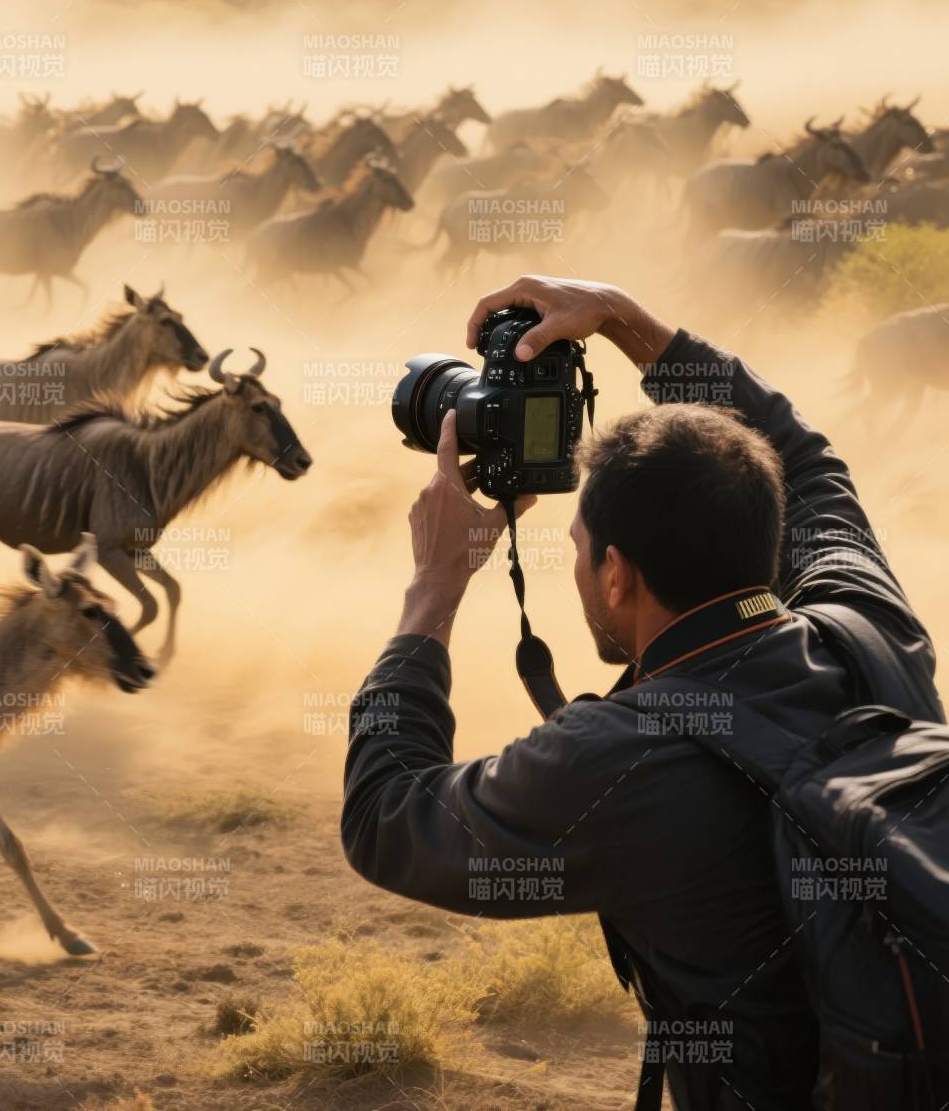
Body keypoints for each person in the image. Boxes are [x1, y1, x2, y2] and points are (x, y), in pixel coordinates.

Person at [340, 275, 942, 1109]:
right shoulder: (870, 627)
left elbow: (387, 816)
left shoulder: (615, 763)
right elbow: (801, 458)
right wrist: (622, 317)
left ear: (617, 575)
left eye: (579, 548)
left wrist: (433, 591)